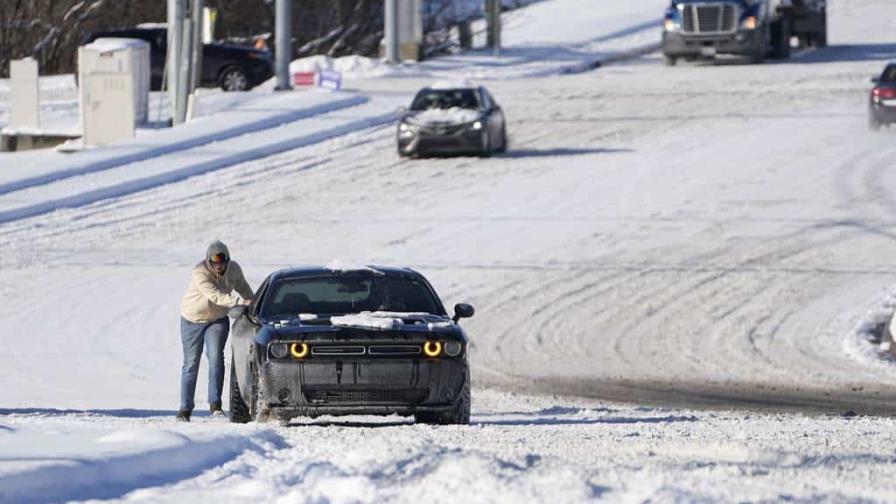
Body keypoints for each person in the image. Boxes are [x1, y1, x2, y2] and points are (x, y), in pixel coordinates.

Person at [177, 240, 253, 422]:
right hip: (192, 320)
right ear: (208, 262)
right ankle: (185, 409)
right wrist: (240, 302)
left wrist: (252, 301)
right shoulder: (199, 273)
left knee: (216, 358)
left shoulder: (234, 269)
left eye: (222, 262)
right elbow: (215, 295)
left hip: (217, 320)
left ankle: (215, 405)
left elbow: (242, 286)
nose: (219, 266)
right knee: (191, 363)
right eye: (214, 263)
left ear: (228, 260)